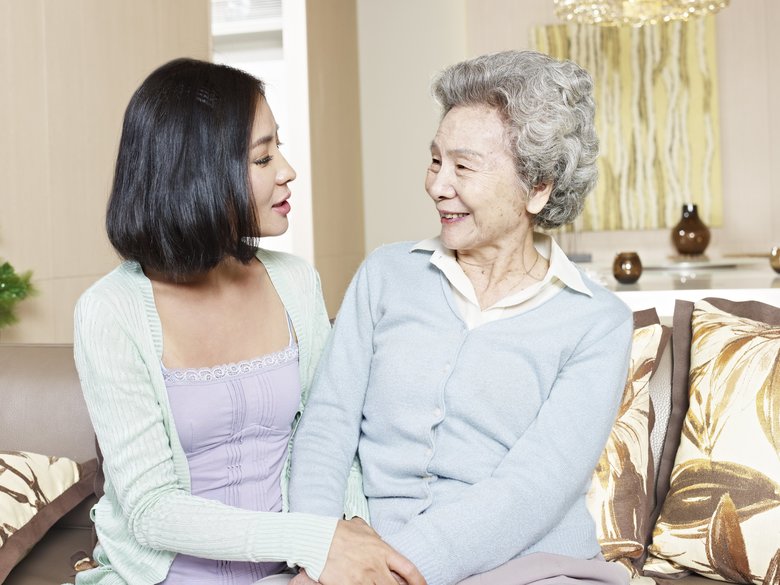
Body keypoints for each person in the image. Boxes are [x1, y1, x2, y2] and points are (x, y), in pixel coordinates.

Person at [72, 58, 424, 585]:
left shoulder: (295, 281)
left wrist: (336, 547)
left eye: (277, 149)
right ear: (196, 173)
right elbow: (150, 508)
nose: (287, 170)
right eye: (263, 158)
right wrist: (315, 541)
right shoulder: (110, 310)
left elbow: (329, 432)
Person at [288, 50, 634, 585]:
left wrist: (391, 569)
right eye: (435, 160)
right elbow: (326, 427)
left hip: (528, 566)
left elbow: (533, 487)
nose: (437, 185)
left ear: (537, 189)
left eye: (464, 167)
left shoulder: (596, 321)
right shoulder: (386, 275)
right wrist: (320, 548)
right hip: (359, 562)